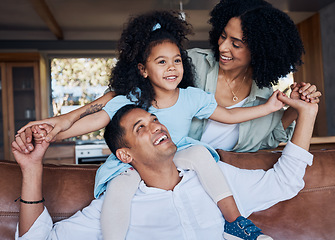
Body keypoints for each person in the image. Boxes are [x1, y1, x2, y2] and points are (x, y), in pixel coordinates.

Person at [20, 10, 286, 240]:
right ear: (143, 70)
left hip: (175, 156)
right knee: (122, 187)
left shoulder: (192, 97)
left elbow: (228, 116)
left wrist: (269, 107)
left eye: (177, 60)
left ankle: (235, 223)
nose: (171, 68)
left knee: (200, 154)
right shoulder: (132, 99)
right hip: (132, 164)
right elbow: (92, 120)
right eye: (161, 62)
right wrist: (52, 134)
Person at [13, 93, 318, 240]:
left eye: (155, 120)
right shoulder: (115, 207)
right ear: (125, 155)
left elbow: (286, 181)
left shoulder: (216, 179)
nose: (157, 127)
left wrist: (307, 112)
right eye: (140, 128)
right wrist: (32, 168)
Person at [187, 0, 322, 152]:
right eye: (223, 36)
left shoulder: (264, 96)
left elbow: (268, 139)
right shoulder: (190, 64)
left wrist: (294, 107)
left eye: (236, 44)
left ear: (259, 51)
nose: (222, 47)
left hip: (223, 171)